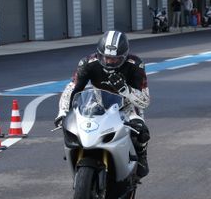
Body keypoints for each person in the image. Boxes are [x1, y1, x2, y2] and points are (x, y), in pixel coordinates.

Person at [54, 31, 151, 177]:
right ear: (99, 54)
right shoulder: (88, 63)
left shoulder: (135, 65)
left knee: (141, 131)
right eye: (105, 57)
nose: (109, 62)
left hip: (128, 105)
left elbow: (145, 101)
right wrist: (62, 112)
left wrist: (126, 90)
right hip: (98, 101)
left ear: (124, 56)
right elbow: (72, 89)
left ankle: (142, 155)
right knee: (73, 126)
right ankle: (76, 152)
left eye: (115, 59)